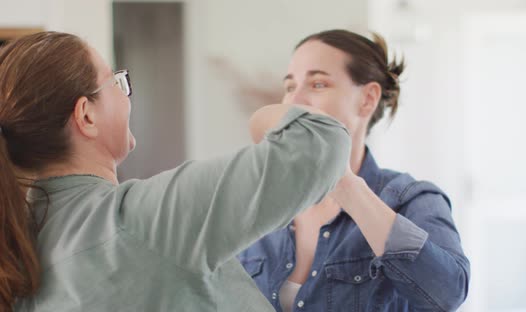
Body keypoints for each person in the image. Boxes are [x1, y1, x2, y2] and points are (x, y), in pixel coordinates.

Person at [0, 31, 352, 311]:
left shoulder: (17, 257)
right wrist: (265, 116)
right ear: (86, 116)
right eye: (115, 82)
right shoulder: (141, 219)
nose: (126, 97)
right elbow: (319, 144)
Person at [239, 29, 470, 312]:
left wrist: (344, 184)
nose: (295, 101)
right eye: (289, 87)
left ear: (368, 99)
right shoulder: (260, 211)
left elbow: (447, 293)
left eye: (318, 84)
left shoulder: (411, 198)